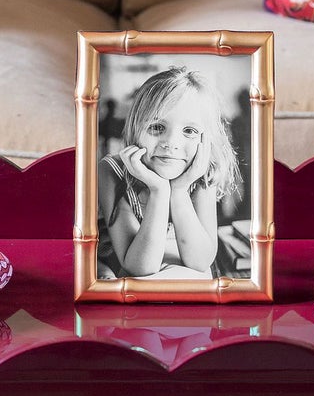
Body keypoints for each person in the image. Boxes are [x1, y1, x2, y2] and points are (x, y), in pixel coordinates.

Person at [97, 65, 243, 280]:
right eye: (157, 127)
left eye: (189, 131)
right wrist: (159, 191)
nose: (171, 143)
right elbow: (139, 267)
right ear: (135, 128)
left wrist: (180, 190)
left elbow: (200, 261)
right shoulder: (112, 171)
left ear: (204, 140)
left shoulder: (202, 171)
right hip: (119, 268)